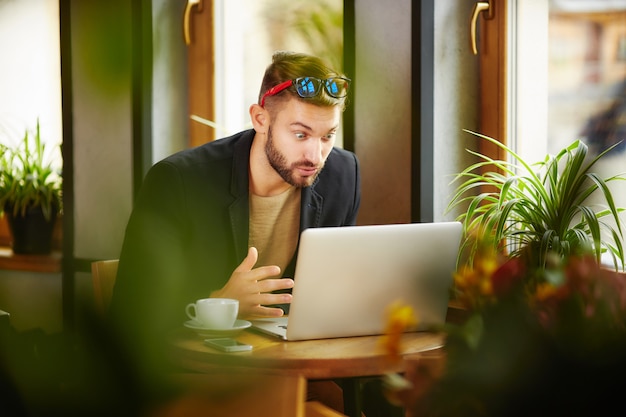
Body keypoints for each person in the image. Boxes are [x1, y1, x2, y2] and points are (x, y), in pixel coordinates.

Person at [108, 51, 361, 412]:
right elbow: (130, 320)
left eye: (327, 136)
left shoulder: (343, 174)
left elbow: (336, 287)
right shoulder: (179, 181)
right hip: (195, 383)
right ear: (260, 119)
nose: (316, 155)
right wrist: (217, 303)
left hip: (295, 372)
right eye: (300, 134)